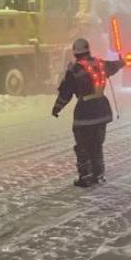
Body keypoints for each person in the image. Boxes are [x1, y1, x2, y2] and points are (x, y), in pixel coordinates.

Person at [52, 38, 125, 187]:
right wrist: (121, 62)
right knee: (97, 145)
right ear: (88, 50)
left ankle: (85, 176)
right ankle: (98, 174)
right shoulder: (100, 64)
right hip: (102, 111)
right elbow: (114, 66)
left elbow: (66, 92)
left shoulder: (75, 70)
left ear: (75, 52)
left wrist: (57, 108)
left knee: (83, 146)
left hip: (85, 113)